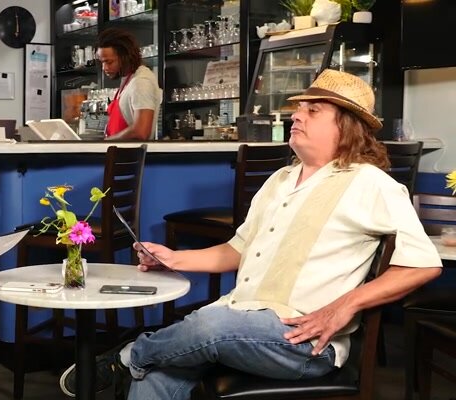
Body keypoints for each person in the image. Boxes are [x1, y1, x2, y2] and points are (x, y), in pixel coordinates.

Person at [59, 69, 443, 398]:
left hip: (301, 340)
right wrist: (174, 259)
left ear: (346, 125)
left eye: (313, 110)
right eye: (298, 109)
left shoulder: (370, 183)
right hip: (241, 321)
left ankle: (127, 358)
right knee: (159, 372)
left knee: (207, 325)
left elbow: (423, 264)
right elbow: (238, 249)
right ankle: (137, 362)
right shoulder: (281, 179)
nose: (297, 116)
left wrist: (345, 305)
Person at [97, 27, 161, 141]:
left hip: (130, 152)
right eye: (102, 62)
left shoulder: (141, 82)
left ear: (125, 57)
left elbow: (141, 132)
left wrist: (106, 142)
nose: (104, 68)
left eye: (109, 62)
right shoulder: (128, 79)